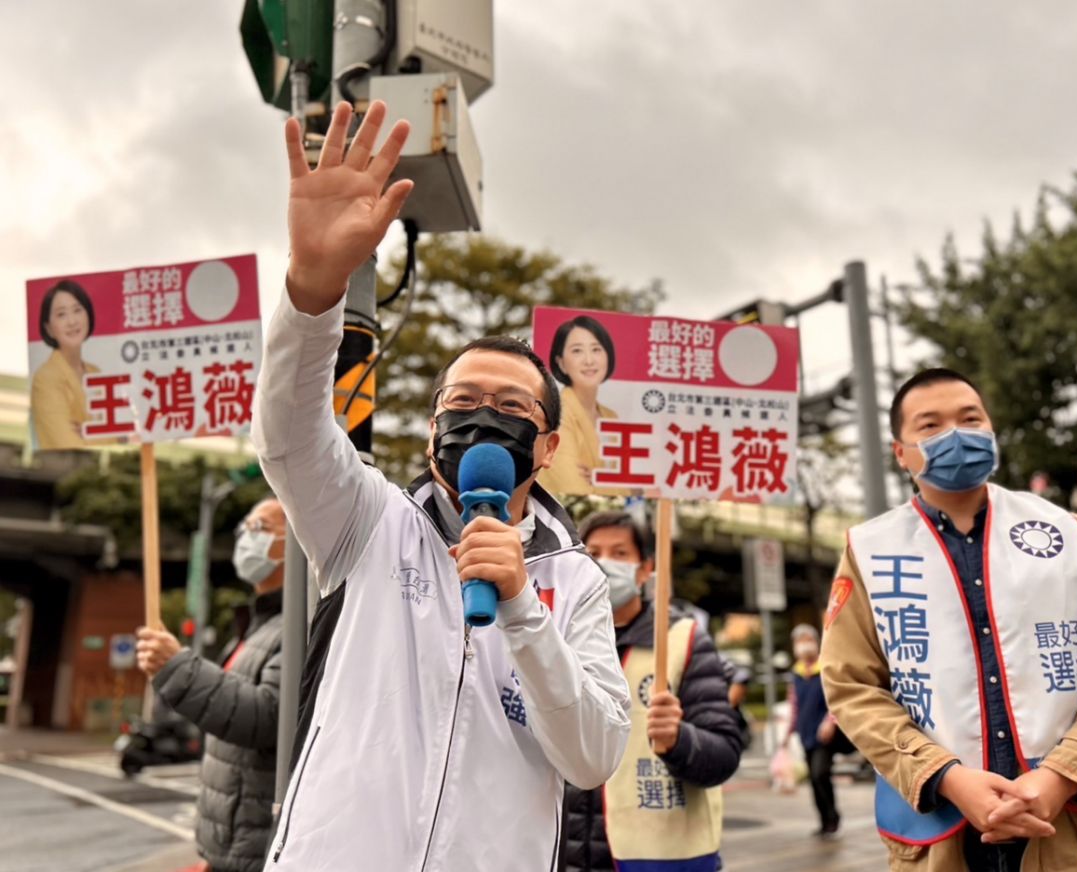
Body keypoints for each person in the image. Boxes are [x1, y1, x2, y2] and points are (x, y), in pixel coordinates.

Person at [254, 100, 630, 870]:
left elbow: (592, 756)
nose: (481, 420)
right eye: (460, 405)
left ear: (548, 443)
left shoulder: (579, 584)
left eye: (510, 408)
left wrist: (523, 606)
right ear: (431, 434)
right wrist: (312, 293)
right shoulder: (368, 520)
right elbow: (288, 436)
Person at [821, 367, 1077, 871]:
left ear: (991, 430)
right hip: (940, 837)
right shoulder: (870, 551)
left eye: (969, 418)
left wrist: (1058, 777)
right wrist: (949, 778)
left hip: (1069, 828)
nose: (956, 436)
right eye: (931, 426)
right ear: (900, 452)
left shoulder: (1068, 535)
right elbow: (851, 687)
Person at [561, 510, 741, 872]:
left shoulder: (681, 640)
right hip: (567, 854)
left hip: (655, 857)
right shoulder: (554, 638)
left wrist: (680, 740)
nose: (605, 564)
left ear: (645, 570)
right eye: (592, 554)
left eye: (620, 554)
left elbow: (723, 755)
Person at [135, 498, 288, 872]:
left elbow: (266, 716)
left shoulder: (299, 624)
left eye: (260, 528)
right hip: (231, 850)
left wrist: (177, 668)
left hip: (259, 853)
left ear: (297, 540)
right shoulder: (257, 626)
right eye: (244, 529)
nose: (245, 539)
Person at [539, 315, 618, 495]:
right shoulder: (557, 415)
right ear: (561, 362)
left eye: (596, 349)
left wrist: (598, 479)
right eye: (577, 351)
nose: (589, 360)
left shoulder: (611, 417)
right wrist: (609, 481)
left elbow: (633, 488)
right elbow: (572, 486)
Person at [30, 279, 99, 450]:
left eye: (77, 310)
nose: (72, 321)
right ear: (48, 328)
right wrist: (104, 435)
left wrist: (88, 432)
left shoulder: (95, 373)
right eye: (61, 314)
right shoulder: (45, 379)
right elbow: (66, 443)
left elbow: (120, 435)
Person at [789, 623, 841, 838]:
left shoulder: (826, 667)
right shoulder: (797, 673)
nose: (804, 646)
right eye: (799, 642)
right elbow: (794, 705)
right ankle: (823, 821)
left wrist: (830, 722)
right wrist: (787, 734)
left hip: (824, 733)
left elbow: (837, 697)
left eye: (807, 640)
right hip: (805, 731)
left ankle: (833, 818)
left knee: (821, 773)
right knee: (813, 778)